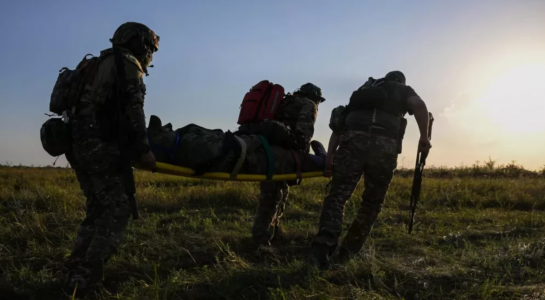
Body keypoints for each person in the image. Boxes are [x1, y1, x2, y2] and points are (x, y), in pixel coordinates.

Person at [61, 22, 159, 296]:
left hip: (77, 143)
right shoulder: (127, 64)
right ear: (140, 44)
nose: (150, 54)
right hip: (101, 145)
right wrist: (143, 149)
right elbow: (133, 109)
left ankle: (74, 270)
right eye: (151, 48)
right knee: (117, 210)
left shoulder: (95, 63)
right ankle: (86, 280)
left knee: (97, 209)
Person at [311, 71, 432, 269]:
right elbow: (419, 105)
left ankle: (323, 247)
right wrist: (424, 137)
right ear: (400, 81)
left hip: (352, 142)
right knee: (372, 202)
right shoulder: (402, 89)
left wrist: (330, 156)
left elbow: (338, 129)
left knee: (338, 197)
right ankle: (346, 253)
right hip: (384, 146)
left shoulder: (363, 93)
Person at [240, 83, 326, 246]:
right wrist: (301, 159)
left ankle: (275, 232)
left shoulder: (282, 102)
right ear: (314, 96)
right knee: (272, 197)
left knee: (277, 192)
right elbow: (304, 135)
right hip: (282, 155)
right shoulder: (308, 104)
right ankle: (260, 242)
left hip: (265, 151)